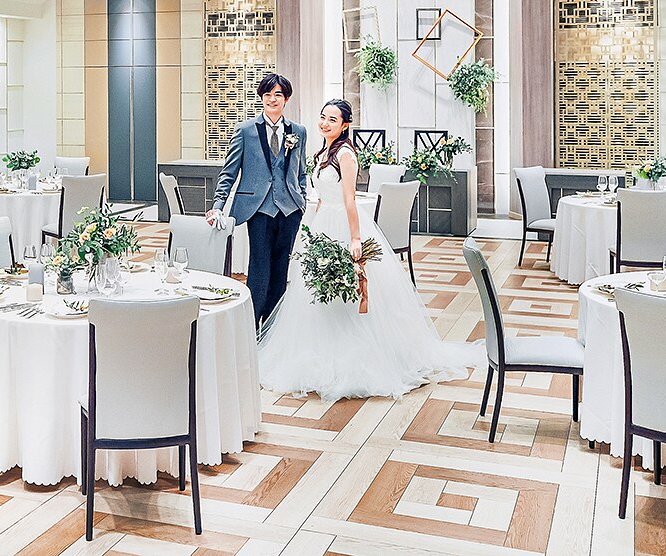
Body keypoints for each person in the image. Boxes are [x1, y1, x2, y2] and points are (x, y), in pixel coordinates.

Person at [257, 99, 483, 402]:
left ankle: (359, 356)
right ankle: (319, 349)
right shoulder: (323, 153)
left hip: (343, 224)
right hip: (322, 224)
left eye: (332, 120)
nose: (325, 123)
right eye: (322, 117)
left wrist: (355, 239)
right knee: (316, 292)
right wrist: (311, 229)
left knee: (348, 291)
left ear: (345, 125)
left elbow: (349, 199)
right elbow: (322, 196)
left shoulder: (345, 154)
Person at [207, 73, 307, 328]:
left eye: (278, 95)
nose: (272, 99)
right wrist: (217, 206)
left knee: (281, 271)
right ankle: (250, 328)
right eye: (267, 95)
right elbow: (228, 173)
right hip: (258, 210)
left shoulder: (298, 132)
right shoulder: (245, 131)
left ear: (286, 99)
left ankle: (272, 329)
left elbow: (301, 171)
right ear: (261, 98)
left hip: (290, 211)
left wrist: (302, 199)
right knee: (259, 270)